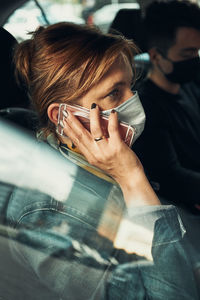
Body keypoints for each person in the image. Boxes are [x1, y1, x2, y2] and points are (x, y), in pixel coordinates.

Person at [5, 22, 199, 299]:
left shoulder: (101, 161)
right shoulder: (46, 212)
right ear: (63, 116)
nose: (133, 101)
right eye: (114, 93)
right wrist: (133, 179)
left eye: (131, 86)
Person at [133, 0, 200, 214]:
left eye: (197, 53)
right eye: (187, 54)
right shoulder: (147, 108)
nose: (195, 61)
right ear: (155, 56)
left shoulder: (191, 85)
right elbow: (171, 175)